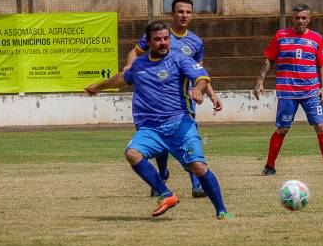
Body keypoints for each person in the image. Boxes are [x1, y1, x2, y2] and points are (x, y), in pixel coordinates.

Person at [86, 20, 232, 220]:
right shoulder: (139, 65)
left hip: (180, 124)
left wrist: (198, 91)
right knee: (132, 153)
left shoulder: (180, 59)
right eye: (158, 39)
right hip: (151, 128)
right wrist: (98, 87)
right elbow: (121, 78)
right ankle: (166, 194)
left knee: (197, 167)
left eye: (166, 38)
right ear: (148, 42)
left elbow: (201, 77)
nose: (163, 42)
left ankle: (222, 211)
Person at [124, 0, 222, 198]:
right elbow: (134, 51)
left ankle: (196, 184)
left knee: (188, 140)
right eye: (180, 11)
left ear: (192, 15)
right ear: (172, 14)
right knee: (160, 138)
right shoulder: (161, 34)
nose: (184, 15)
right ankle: (162, 173)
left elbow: (199, 72)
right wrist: (130, 67)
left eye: (188, 12)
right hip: (157, 99)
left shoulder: (196, 42)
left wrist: (210, 94)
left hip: (184, 101)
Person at [253, 3, 323, 176]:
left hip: (311, 92)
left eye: (304, 18)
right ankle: (269, 166)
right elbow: (269, 60)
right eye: (297, 18)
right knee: (282, 129)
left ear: (309, 19)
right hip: (287, 93)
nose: (300, 21)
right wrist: (260, 80)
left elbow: (321, 65)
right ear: (292, 18)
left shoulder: (316, 38)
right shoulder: (281, 36)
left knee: (321, 127)